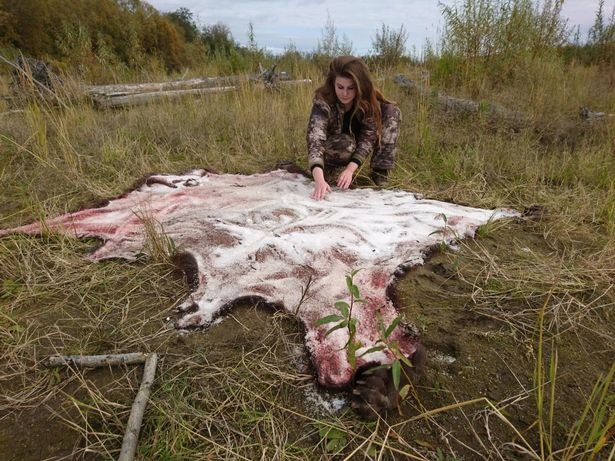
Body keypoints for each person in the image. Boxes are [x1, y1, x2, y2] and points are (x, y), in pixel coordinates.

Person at [307, 56, 401, 200]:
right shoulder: (323, 101)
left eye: (351, 88)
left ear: (359, 86)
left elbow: (368, 136)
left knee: (391, 111)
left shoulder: (368, 99)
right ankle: (331, 170)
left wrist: (350, 170)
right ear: (333, 83)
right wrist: (319, 180)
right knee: (345, 144)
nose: (345, 93)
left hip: (358, 145)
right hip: (338, 146)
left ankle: (380, 172)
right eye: (340, 87)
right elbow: (315, 139)